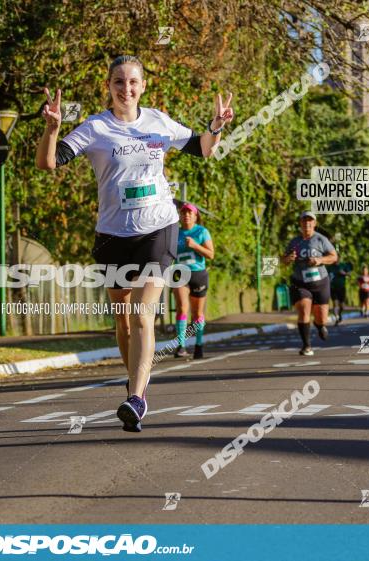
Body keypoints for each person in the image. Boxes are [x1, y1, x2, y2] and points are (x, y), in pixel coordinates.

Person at [36, 54, 234, 432]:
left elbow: (203, 149)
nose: (126, 88)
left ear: (143, 86)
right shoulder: (95, 128)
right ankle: (134, 384)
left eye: (132, 82)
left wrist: (216, 126)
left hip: (158, 227)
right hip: (112, 233)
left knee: (144, 314)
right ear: (108, 87)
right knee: (124, 320)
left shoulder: (158, 121)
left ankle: (138, 398)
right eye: (118, 82)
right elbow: (48, 163)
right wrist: (52, 128)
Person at [281, 211, 338, 356]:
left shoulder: (321, 239)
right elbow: (283, 260)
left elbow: (334, 257)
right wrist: (288, 258)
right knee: (304, 309)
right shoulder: (294, 241)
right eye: (304, 221)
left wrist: (319, 260)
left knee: (321, 317)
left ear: (314, 223)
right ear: (300, 224)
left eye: (310, 221)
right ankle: (307, 346)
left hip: (320, 282)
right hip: (301, 282)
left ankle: (320, 326)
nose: (307, 223)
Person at [172, 202, 214, 359]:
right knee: (182, 307)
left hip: (198, 274)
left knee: (197, 313)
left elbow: (210, 255)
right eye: (183, 213)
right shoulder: (174, 232)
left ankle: (198, 344)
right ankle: (181, 346)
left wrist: (195, 246)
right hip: (180, 273)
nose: (186, 215)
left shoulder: (202, 232)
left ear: (196, 216)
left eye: (190, 213)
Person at [328, 255, 352, 324]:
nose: (335, 260)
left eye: (337, 258)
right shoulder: (329, 267)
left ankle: (340, 314)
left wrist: (344, 273)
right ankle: (336, 318)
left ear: (339, 258)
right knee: (335, 304)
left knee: (342, 306)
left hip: (341, 287)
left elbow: (349, 274)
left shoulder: (343, 265)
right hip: (333, 288)